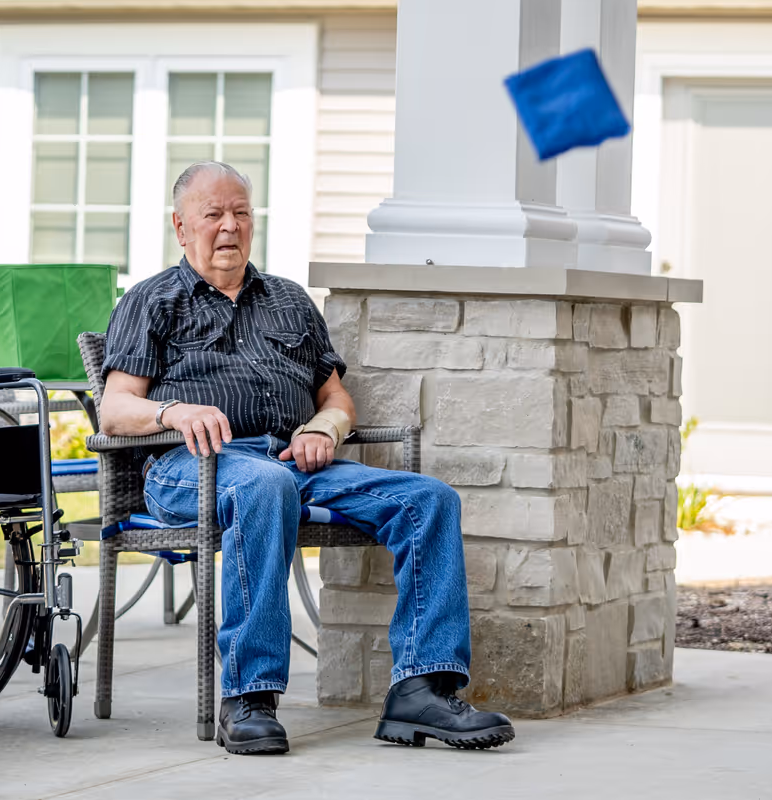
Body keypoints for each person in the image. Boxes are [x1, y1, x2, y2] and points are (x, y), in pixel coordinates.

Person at [99, 160, 514, 755]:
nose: (229, 227)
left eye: (241, 213)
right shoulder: (153, 301)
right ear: (181, 226)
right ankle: (249, 697)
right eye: (212, 214)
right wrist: (175, 412)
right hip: (191, 465)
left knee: (428, 500)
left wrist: (325, 427)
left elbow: (335, 394)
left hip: (295, 463)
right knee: (264, 486)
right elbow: (115, 409)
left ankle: (422, 690)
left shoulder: (289, 301)